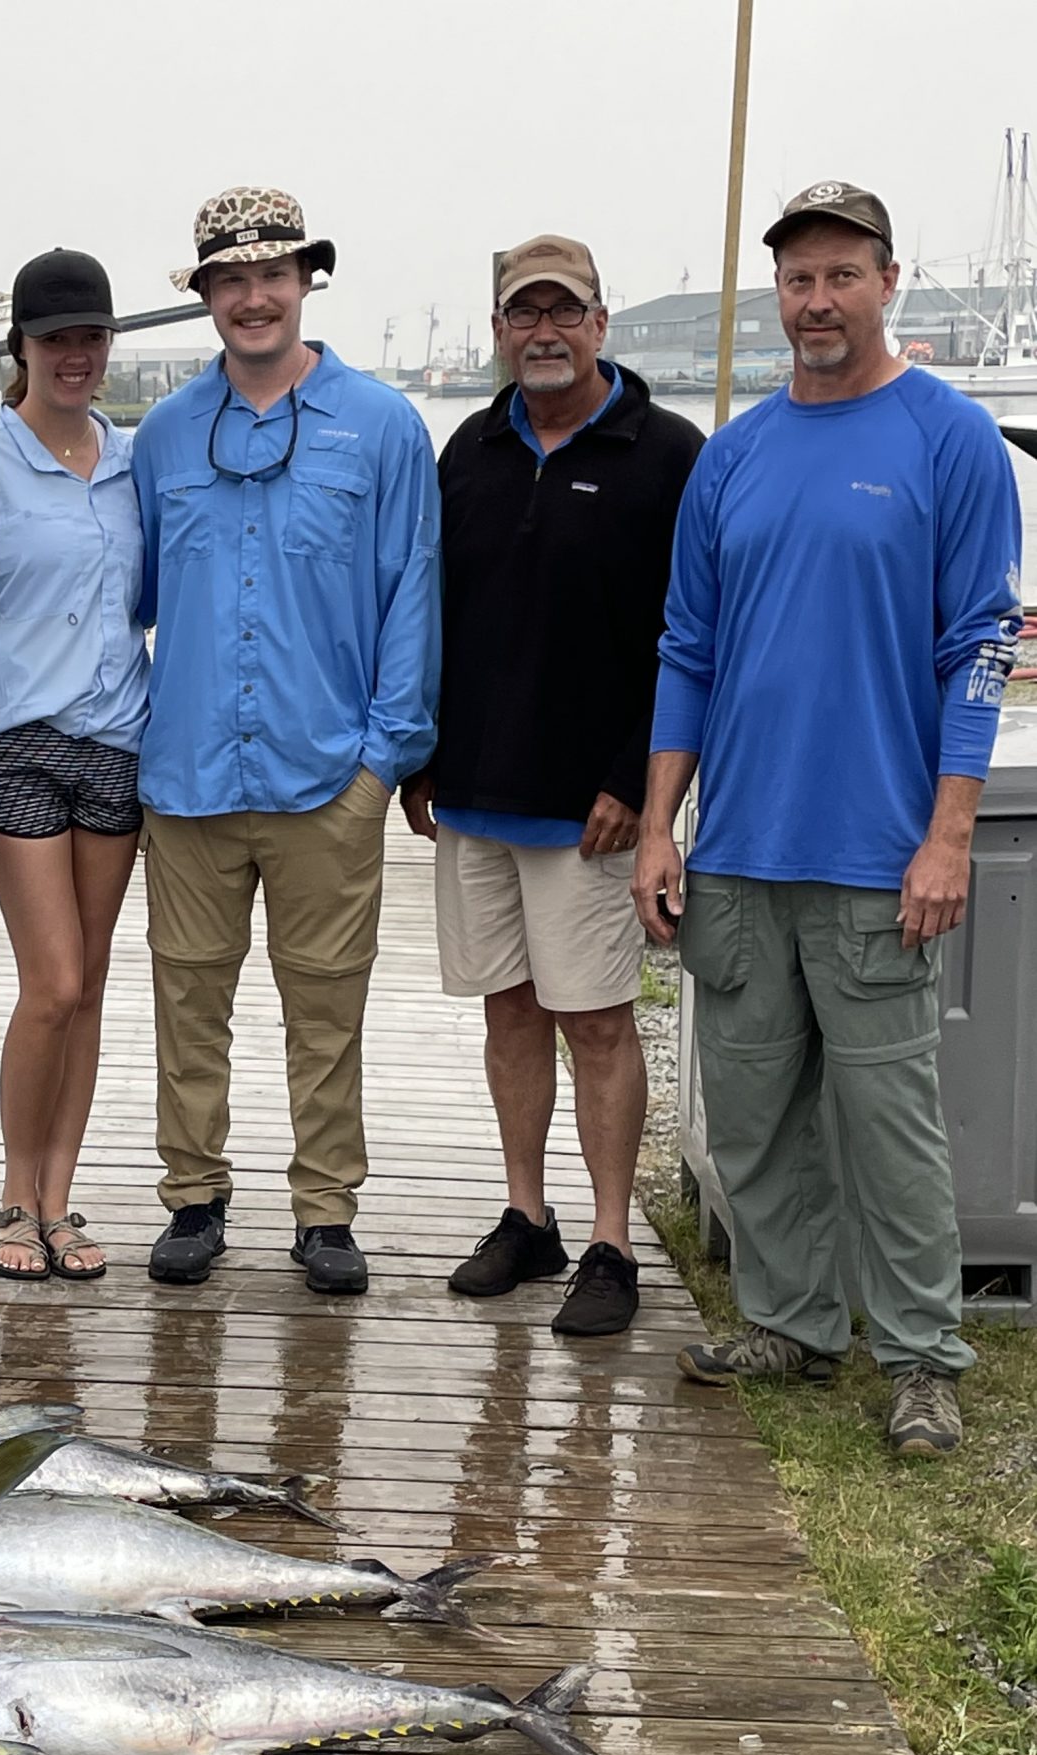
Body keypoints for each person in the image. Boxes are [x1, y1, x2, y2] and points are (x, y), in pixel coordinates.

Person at [636, 180, 1023, 1456]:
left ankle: (921, 1357)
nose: (817, 301)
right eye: (798, 279)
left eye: (841, 275)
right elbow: (686, 648)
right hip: (740, 851)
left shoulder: (949, 439)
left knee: (889, 1126)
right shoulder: (735, 456)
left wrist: (950, 832)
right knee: (750, 1118)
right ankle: (792, 1325)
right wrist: (658, 825)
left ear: (888, 281)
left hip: (880, 859)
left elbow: (979, 647)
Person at [133, 187, 439, 1293]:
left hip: (328, 777)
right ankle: (194, 1196)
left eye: (273, 274)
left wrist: (382, 762)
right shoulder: (164, 433)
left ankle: (325, 1211)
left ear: (306, 280)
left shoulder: (386, 426)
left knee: (327, 1000)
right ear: (206, 295)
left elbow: (412, 593)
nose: (252, 296)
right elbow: (134, 592)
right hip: (189, 777)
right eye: (229, 278)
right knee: (188, 1000)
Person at [403, 234, 702, 1338]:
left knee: (599, 1024)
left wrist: (639, 783)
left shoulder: (668, 451)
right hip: (475, 793)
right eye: (522, 314)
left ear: (600, 323)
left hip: (594, 810)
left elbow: (690, 634)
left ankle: (614, 1242)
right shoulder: (471, 450)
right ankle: (527, 1217)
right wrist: (422, 757)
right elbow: (432, 614)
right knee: (510, 1015)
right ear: (497, 331)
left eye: (562, 311)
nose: (543, 331)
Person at [0, 248, 148, 1283]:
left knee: (93, 985)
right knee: (51, 982)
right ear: (20, 346)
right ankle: (15, 1194)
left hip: (118, 740)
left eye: (91, 337)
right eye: (56, 337)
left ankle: (62, 1198)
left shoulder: (132, 463)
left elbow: (147, 603)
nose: (76, 355)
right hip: (13, 741)